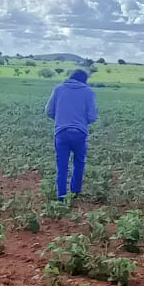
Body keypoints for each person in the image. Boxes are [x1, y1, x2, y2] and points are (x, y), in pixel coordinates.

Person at [45, 68, 98, 201]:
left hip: (61, 132)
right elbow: (92, 116)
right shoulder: (88, 92)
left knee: (62, 165)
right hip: (80, 132)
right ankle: (75, 192)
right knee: (79, 162)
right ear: (84, 80)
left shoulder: (59, 89)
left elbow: (49, 111)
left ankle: (61, 196)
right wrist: (81, 121)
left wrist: (61, 120)